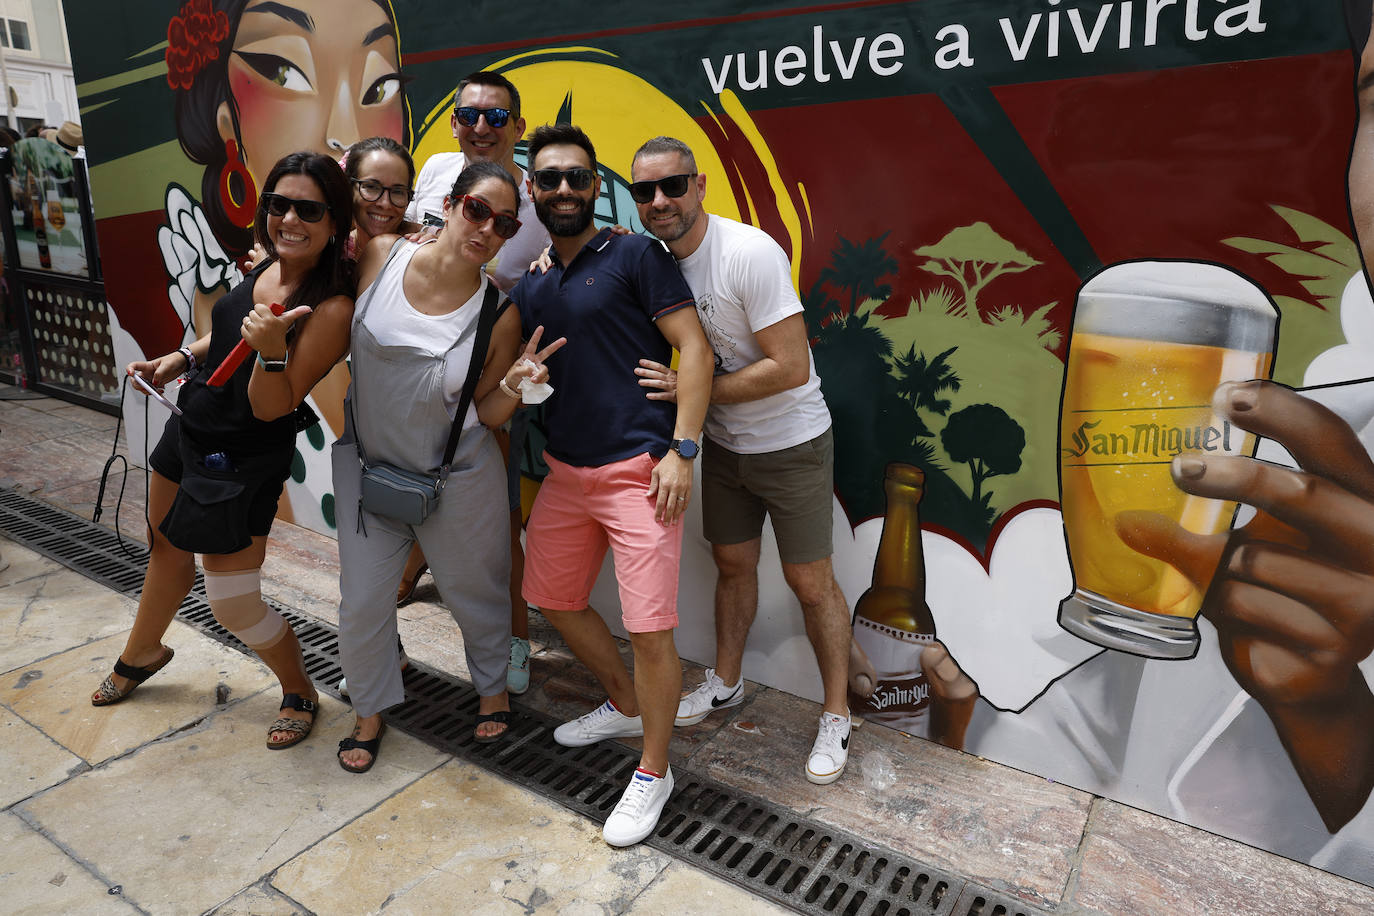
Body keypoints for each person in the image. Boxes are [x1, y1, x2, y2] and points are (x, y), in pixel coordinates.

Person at [91, 151, 355, 752]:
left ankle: (299, 689)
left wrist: (271, 351)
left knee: (233, 602)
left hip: (241, 460)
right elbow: (232, 324)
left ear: (334, 220)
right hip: (191, 428)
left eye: (308, 209)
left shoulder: (331, 307)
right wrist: (180, 357)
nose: (289, 218)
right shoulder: (268, 266)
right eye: (278, 205)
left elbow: (274, 404)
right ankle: (143, 652)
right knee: (164, 548)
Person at [508, 124, 712, 846]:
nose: (564, 188)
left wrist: (681, 450)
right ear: (533, 190)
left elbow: (695, 349)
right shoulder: (533, 280)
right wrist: (522, 383)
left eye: (577, 178)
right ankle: (624, 702)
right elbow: (522, 376)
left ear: (598, 188)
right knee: (553, 599)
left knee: (652, 631)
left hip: (641, 474)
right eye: (550, 178)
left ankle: (655, 771)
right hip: (566, 473)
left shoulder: (635, 254)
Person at [629, 136, 855, 785]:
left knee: (813, 585)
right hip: (724, 446)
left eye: (672, 186)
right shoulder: (652, 260)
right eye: (645, 191)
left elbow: (791, 367)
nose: (660, 201)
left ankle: (838, 713)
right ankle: (726, 681)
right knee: (732, 566)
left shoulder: (748, 252)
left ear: (699, 185)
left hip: (792, 444)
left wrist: (690, 392)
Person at [331, 160, 564, 772]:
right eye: (477, 210)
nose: (487, 228)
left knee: (477, 595)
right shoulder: (381, 255)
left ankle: (491, 692)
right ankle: (369, 712)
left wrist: (515, 385)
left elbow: (486, 413)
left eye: (506, 224)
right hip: (369, 471)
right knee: (361, 603)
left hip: (456, 479)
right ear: (453, 204)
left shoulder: (499, 312)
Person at [399, 71, 552, 697]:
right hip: (420, 364)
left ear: (518, 126)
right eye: (469, 116)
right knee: (413, 480)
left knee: (499, 516)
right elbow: (404, 245)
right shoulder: (435, 170)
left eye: (496, 117)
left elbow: (583, 246)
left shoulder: (543, 192)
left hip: (499, 366)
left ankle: (514, 640)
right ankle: (409, 576)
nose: (481, 128)